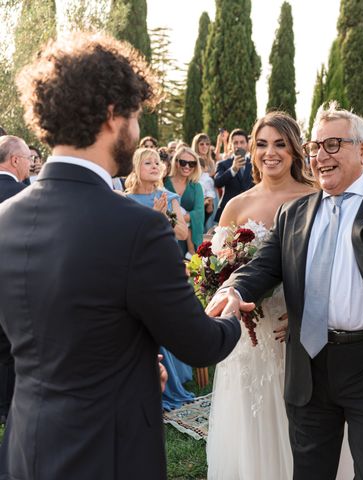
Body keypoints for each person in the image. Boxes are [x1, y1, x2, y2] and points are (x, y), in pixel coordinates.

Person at [0, 32, 241, 480]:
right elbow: (199, 343)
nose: (136, 128)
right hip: (107, 452)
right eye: (135, 115)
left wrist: (126, 362)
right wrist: (231, 313)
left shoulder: (4, 218)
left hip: (25, 444)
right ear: (113, 114)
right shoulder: (137, 226)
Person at [208, 101, 363, 480]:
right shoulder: (294, 213)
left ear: (362, 150)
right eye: (314, 147)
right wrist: (234, 287)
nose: (320, 156)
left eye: (332, 145)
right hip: (309, 365)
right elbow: (263, 266)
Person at [206, 111, 317, 480]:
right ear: (252, 151)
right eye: (263, 144)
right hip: (250, 330)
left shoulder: (314, 197)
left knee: (304, 415)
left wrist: (308, 312)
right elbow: (219, 270)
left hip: (296, 324)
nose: (271, 153)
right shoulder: (236, 206)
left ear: (295, 150)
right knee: (252, 415)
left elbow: (332, 265)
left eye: (281, 144)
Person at [124, 148, 197, 411]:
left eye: (157, 162)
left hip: (163, 266)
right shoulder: (126, 200)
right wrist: (152, 217)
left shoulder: (168, 197)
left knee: (163, 319)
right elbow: (126, 238)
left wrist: (163, 217)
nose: (155, 166)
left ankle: (171, 378)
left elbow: (181, 232)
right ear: (136, 167)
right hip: (137, 269)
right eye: (148, 162)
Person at [0, 135, 31, 426]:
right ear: (14, 160)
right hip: (13, 284)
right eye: (28, 159)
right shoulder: (23, 196)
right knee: (10, 349)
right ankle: (8, 409)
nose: (31, 165)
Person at [164, 145, 205, 257]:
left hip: (189, 239)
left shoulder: (196, 187)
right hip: (167, 236)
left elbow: (199, 212)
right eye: (183, 162)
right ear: (176, 162)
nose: (187, 166)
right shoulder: (163, 182)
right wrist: (181, 219)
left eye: (192, 163)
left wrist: (175, 219)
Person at [213, 129, 254, 221]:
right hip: (227, 210)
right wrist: (233, 169)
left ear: (247, 144)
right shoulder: (223, 164)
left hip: (250, 210)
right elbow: (217, 183)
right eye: (235, 143)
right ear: (231, 145)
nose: (239, 146)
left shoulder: (255, 163)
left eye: (242, 142)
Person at [192, 133, 219, 230]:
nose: (205, 147)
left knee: (212, 225)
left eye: (207, 144)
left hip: (213, 195)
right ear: (196, 145)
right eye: (201, 144)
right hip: (200, 195)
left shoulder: (211, 161)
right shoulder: (193, 160)